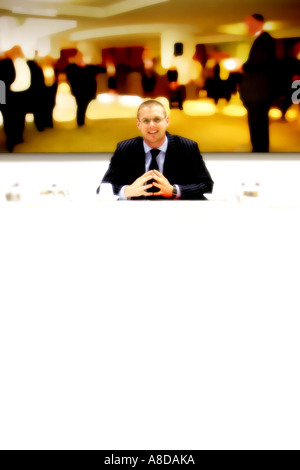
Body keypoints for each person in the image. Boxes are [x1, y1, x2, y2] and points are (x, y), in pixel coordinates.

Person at [98, 99, 213, 200]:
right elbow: (103, 187)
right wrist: (127, 190)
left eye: (157, 119)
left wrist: (174, 190)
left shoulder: (187, 147)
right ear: (138, 124)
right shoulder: (125, 149)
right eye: (146, 121)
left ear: (167, 121)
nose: (151, 125)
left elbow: (207, 185)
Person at [239, 14, 277, 152]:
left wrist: (241, 67)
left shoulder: (264, 40)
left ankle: (259, 150)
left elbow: (259, 66)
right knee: (259, 123)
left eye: (248, 22)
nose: (246, 25)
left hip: (258, 92)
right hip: (259, 92)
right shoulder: (263, 40)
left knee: (257, 123)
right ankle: (260, 148)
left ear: (258, 22)